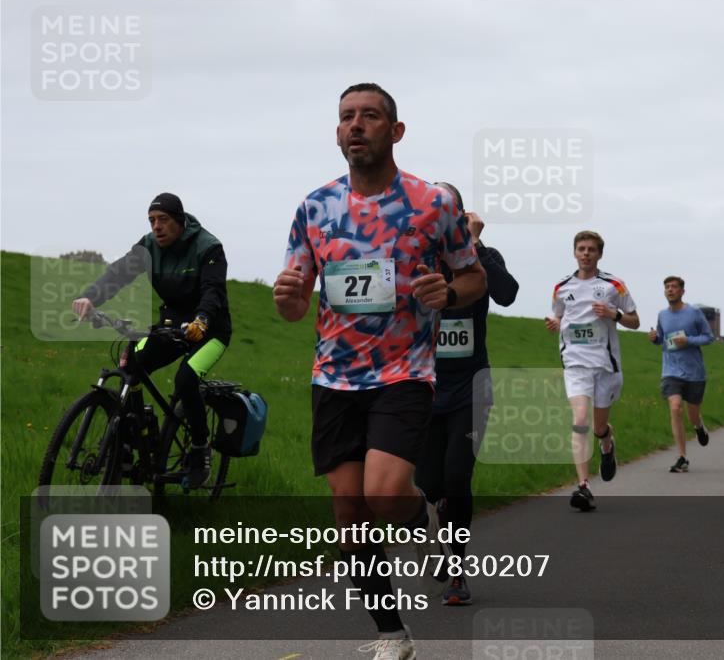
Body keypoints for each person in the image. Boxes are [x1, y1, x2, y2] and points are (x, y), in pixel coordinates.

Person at [273, 83, 486, 659]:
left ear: (395, 131)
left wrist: (449, 290)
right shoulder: (314, 207)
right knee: (349, 511)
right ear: (337, 132)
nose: (356, 125)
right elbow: (295, 304)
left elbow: (473, 277)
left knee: (386, 493)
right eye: (346, 117)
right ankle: (392, 633)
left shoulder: (431, 203)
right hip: (333, 378)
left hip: (403, 372)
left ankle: (426, 529)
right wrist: (287, 297)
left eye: (370, 116)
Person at [72, 192, 231, 487]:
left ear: (179, 220)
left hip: (209, 330)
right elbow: (118, 273)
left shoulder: (208, 247)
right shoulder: (148, 247)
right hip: (169, 327)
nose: (156, 226)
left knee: (186, 380)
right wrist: (91, 297)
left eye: (163, 220)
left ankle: (200, 448)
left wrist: (203, 320)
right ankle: (132, 443)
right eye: (152, 220)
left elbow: (213, 292)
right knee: (131, 366)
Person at [415, 183, 519, 606]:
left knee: (457, 478)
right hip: (422, 386)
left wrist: (472, 242)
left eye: (448, 209)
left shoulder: (483, 254)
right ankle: (435, 537)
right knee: (426, 484)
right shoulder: (415, 253)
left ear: (460, 214)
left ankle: (457, 570)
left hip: (471, 387)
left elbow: (507, 294)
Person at [545, 231, 639, 511]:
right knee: (581, 420)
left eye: (591, 250)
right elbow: (561, 316)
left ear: (599, 254)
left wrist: (614, 315)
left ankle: (607, 445)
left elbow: (635, 321)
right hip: (575, 363)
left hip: (605, 365)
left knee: (598, 427)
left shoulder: (614, 286)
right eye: (581, 249)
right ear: (574, 252)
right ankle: (583, 486)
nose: (586, 253)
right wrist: (555, 323)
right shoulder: (561, 287)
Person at [648, 276, 714, 473]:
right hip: (671, 371)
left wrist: (689, 341)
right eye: (667, 287)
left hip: (694, 372)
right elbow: (661, 339)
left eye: (674, 287)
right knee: (676, 408)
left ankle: (699, 426)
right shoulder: (662, 315)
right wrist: (654, 338)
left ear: (682, 291)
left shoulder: (694, 312)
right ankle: (682, 457)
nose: (670, 290)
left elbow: (709, 337)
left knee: (693, 415)